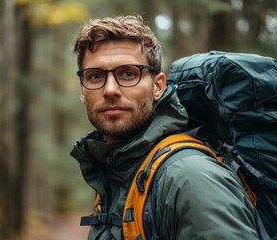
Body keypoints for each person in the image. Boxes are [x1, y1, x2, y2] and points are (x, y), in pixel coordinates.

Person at [70, 15, 260, 239]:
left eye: (128, 74)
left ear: (158, 86)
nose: (110, 89)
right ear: (83, 91)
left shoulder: (190, 178)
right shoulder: (119, 170)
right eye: (95, 76)